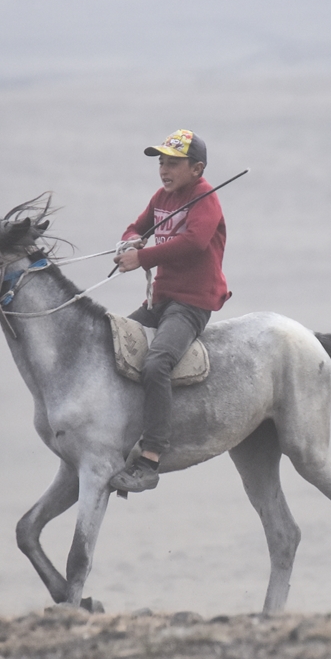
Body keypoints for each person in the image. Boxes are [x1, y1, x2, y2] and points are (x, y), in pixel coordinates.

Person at [110, 129, 230, 493]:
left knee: (157, 363)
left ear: (197, 169)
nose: (164, 169)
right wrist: (132, 238)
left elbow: (194, 242)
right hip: (159, 301)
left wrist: (141, 257)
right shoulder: (162, 197)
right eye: (161, 161)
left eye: (173, 163)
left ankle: (150, 458)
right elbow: (138, 225)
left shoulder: (205, 199)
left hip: (192, 303)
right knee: (110, 346)